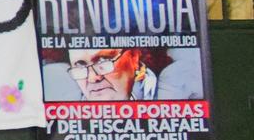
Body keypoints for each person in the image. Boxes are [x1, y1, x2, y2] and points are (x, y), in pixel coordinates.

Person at [42, 46, 203, 101]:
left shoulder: (177, 85)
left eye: (102, 62)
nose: (93, 78)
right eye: (80, 66)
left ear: (135, 57)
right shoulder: (58, 90)